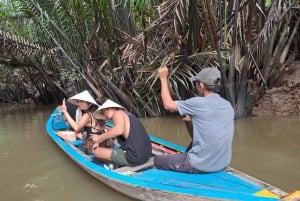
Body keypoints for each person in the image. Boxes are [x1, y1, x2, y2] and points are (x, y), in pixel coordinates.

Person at [154, 66, 234, 173]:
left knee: (158, 160)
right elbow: (202, 135)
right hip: (222, 164)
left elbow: (168, 105)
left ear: (201, 85)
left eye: (196, 83)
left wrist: (163, 78)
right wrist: (189, 122)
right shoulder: (227, 105)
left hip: (199, 165)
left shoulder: (197, 103)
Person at [91, 99, 152, 167]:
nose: (105, 112)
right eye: (104, 111)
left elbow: (119, 130)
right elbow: (124, 131)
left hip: (135, 158)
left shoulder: (117, 113)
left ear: (114, 108)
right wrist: (108, 132)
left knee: (96, 151)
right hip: (147, 154)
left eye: (107, 109)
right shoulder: (128, 114)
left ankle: (112, 165)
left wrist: (99, 138)